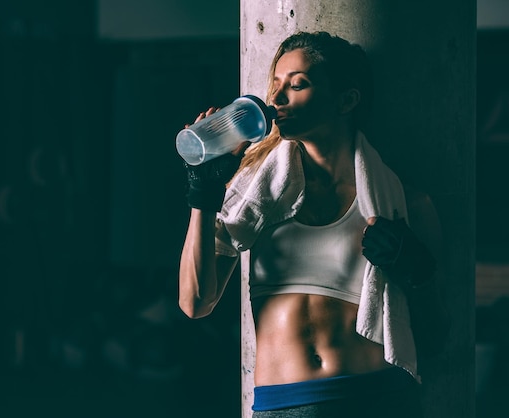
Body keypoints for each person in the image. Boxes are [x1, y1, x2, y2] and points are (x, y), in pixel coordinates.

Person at [178, 31, 449, 417]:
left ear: (346, 100)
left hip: (380, 398)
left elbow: (436, 339)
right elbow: (195, 302)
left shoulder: (405, 204)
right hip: (285, 405)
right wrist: (201, 195)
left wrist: (417, 271)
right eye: (276, 84)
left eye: (297, 84)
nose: (277, 99)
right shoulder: (254, 196)